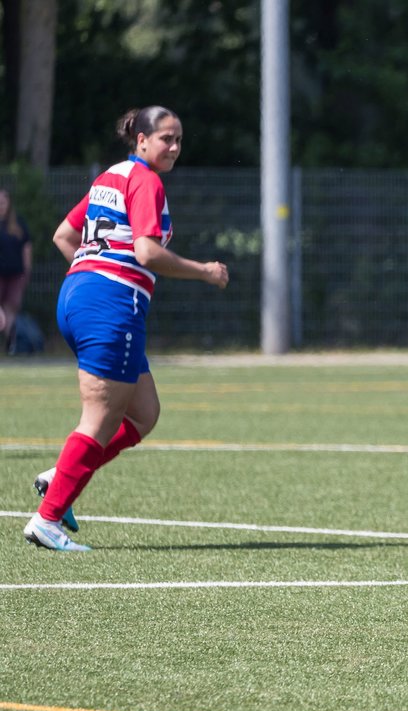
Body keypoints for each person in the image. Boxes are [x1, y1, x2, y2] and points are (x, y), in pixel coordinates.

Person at [24, 106, 229, 551]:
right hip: (110, 306)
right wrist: (205, 271)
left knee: (143, 414)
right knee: (99, 418)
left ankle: (60, 477)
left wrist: (92, 273)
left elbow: (64, 234)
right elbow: (147, 253)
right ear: (140, 140)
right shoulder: (146, 181)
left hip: (80, 297)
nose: (173, 147)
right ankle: (47, 519)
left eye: (178, 140)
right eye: (165, 139)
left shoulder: (110, 177)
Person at [0, 189, 33, 351]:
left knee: (11, 306)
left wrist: (27, 269)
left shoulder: (18, 224)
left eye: (4, 202)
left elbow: (26, 248)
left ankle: (10, 341)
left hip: (15, 273)